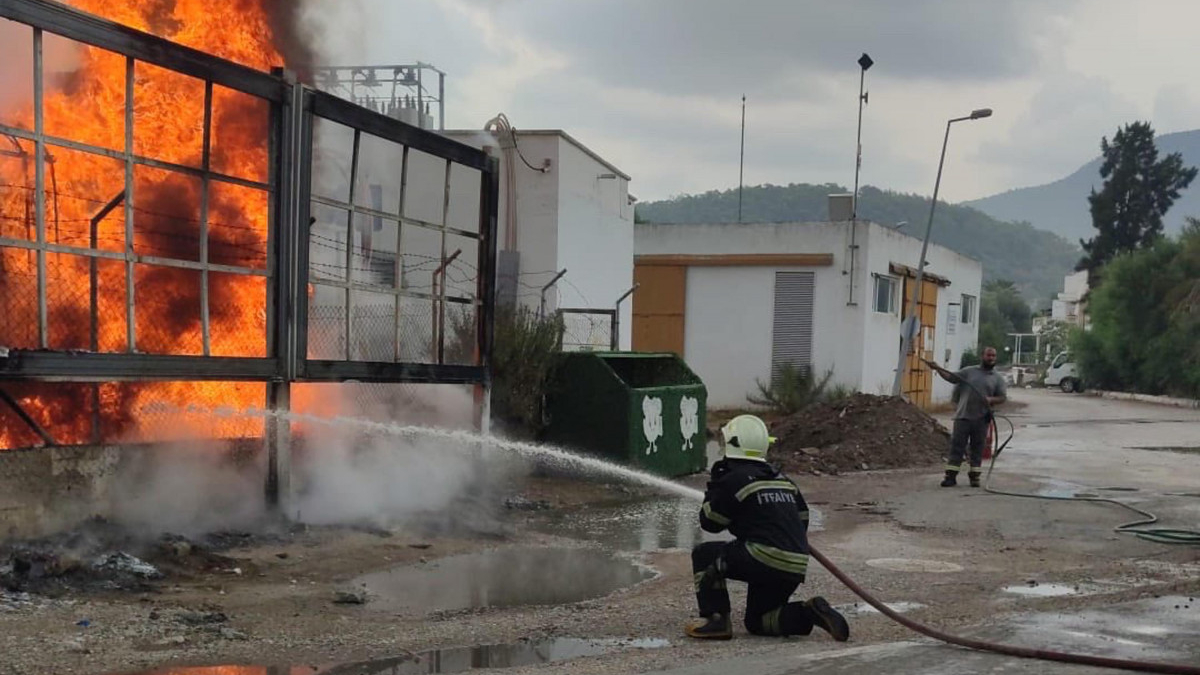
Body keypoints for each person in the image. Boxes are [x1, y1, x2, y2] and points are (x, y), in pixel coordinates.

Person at [686, 414, 849, 641]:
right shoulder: (783, 480)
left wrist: (715, 489)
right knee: (759, 621)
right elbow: (802, 518)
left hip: (763, 557)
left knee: (705, 554)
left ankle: (716, 621)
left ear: (732, 444)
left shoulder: (734, 480)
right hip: (794, 563)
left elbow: (710, 522)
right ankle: (809, 612)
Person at [924, 346, 1008, 488]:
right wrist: (938, 368)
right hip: (963, 417)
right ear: (982, 356)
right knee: (957, 447)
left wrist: (991, 400)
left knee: (977, 449)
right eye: (989, 355)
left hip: (981, 419)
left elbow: (1002, 397)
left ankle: (974, 477)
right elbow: (951, 377)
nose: (991, 358)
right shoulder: (969, 372)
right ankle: (950, 477)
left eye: (993, 356)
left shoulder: (997, 378)